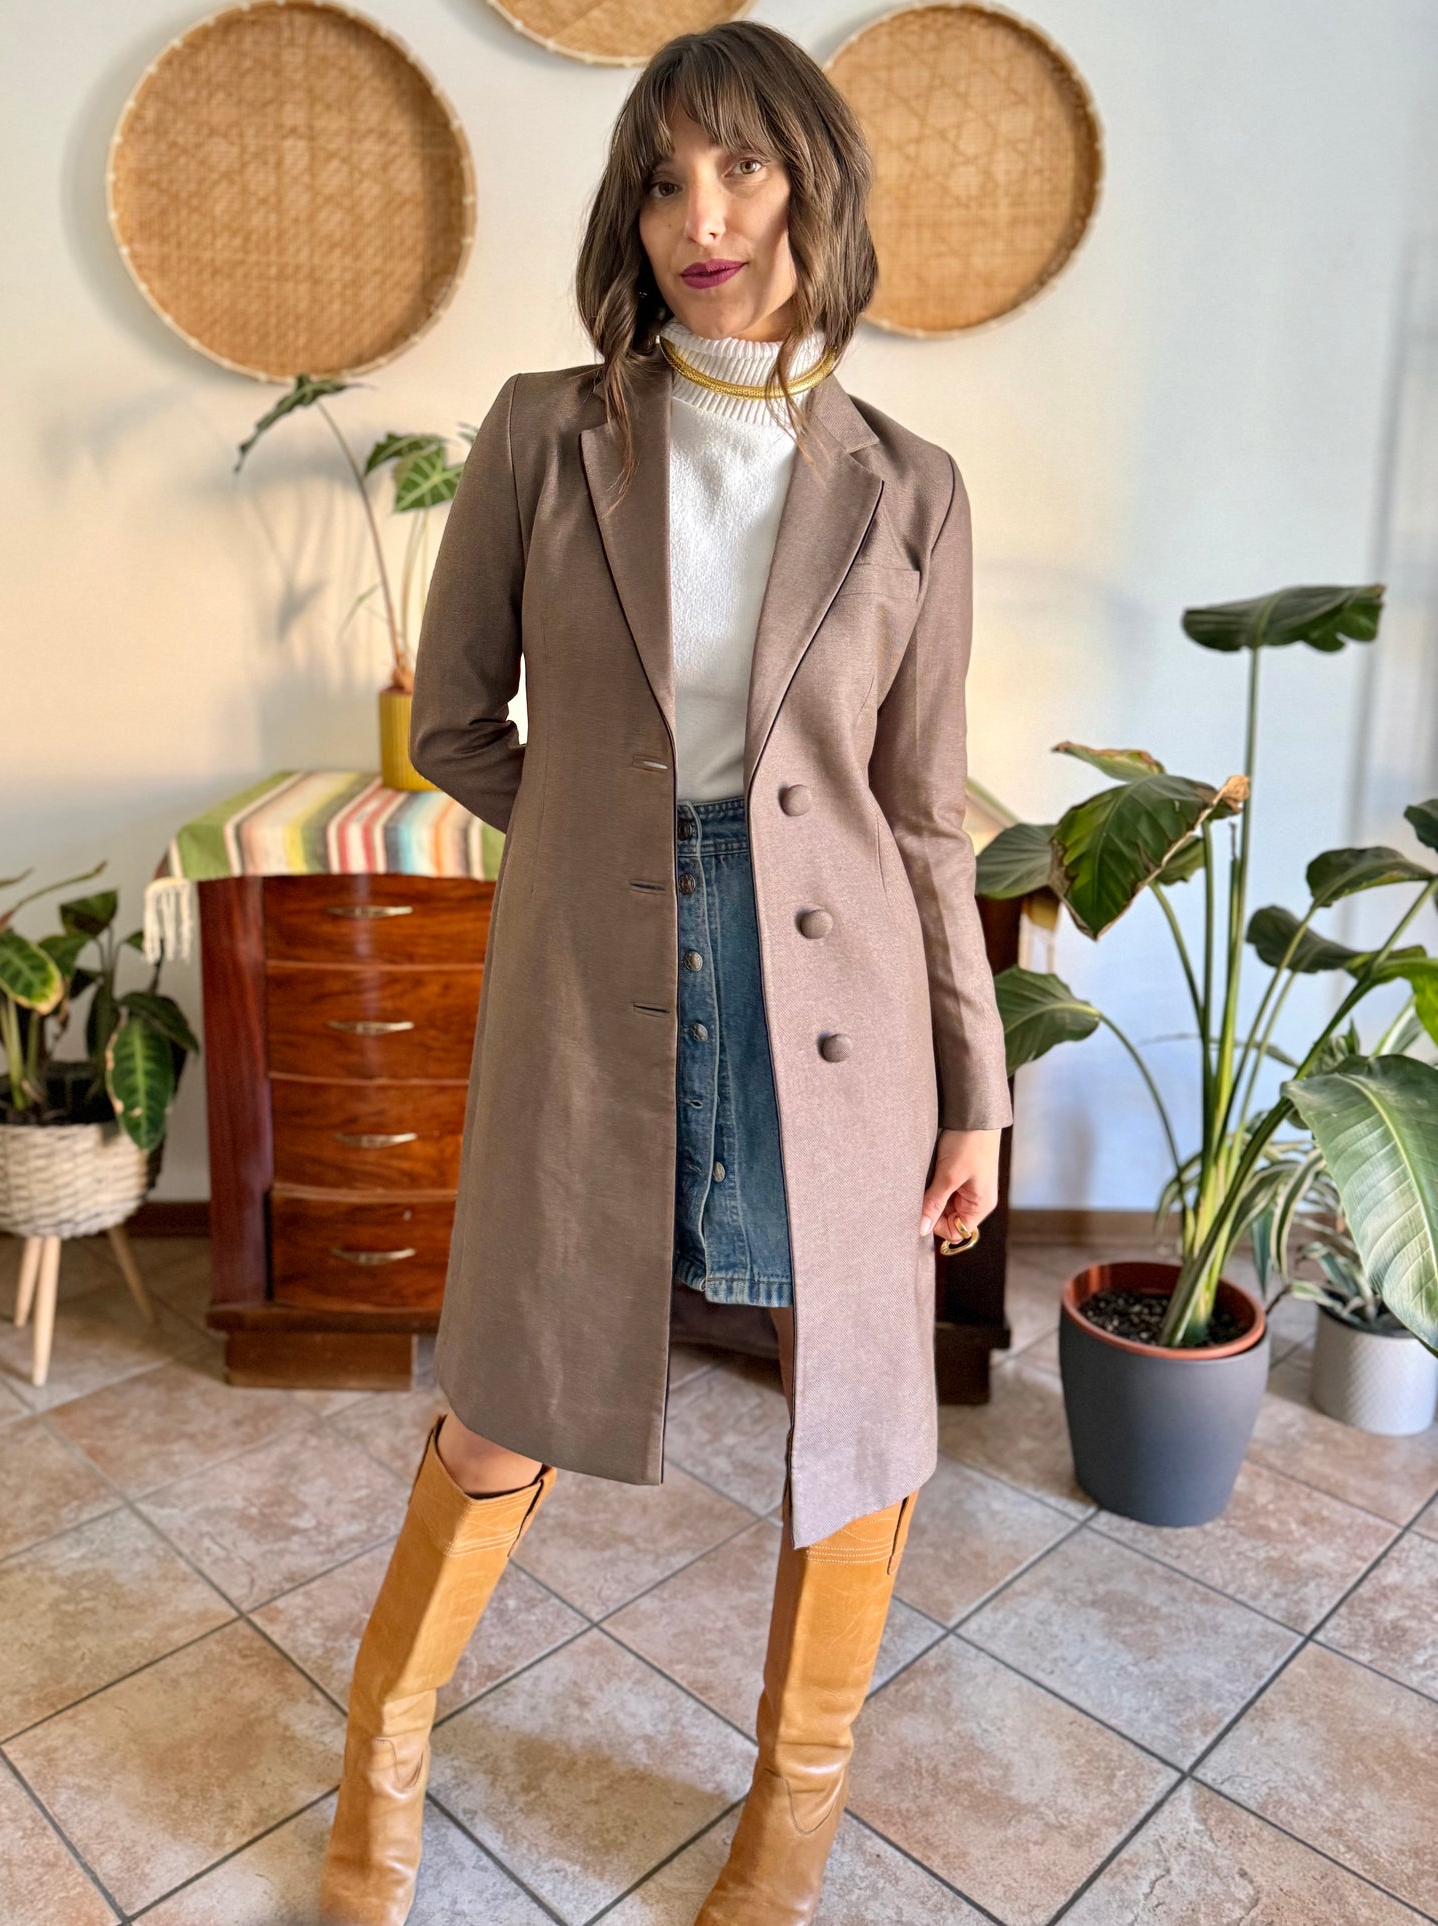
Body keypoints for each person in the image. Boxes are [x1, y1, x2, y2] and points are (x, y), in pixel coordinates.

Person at [319, 20, 1011, 1926]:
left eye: (746, 171)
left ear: (815, 187)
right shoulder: (550, 430)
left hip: (846, 985)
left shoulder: (910, 483)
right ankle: (380, 1764)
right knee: (505, 1387)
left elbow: (923, 809)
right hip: (596, 960)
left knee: (855, 1408)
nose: (700, 217)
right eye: (662, 175)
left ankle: (788, 1826)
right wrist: (600, 844)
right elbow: (457, 722)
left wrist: (974, 1078)